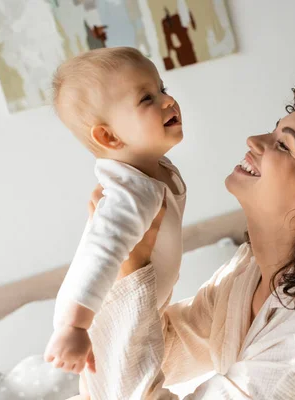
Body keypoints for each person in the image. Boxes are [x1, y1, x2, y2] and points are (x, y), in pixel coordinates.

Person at [78, 80, 295, 399]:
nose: (255, 141)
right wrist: (134, 257)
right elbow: (163, 349)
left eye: (283, 145)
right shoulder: (249, 274)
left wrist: (133, 268)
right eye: (274, 131)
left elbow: (125, 373)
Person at [43, 47, 187, 398]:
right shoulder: (128, 194)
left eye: (162, 88)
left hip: (141, 307)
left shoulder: (156, 170)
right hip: (105, 312)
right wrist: (75, 326)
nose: (168, 100)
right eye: (147, 98)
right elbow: (99, 255)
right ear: (109, 137)